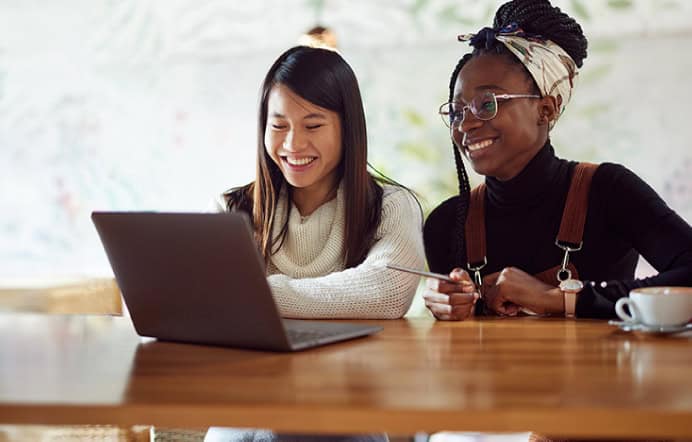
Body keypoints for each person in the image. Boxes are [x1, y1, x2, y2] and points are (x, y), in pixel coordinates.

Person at [423, 0, 692, 322]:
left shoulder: (609, 190)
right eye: (457, 111)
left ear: (546, 109)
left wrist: (557, 298)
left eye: (487, 104)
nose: (465, 125)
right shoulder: (446, 223)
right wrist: (451, 304)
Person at [210, 45, 423, 441]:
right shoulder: (233, 208)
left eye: (313, 125)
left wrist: (257, 295)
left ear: (348, 127)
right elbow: (212, 308)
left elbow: (388, 291)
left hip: (346, 409)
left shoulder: (392, 206)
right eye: (278, 126)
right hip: (248, 406)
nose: (292, 144)